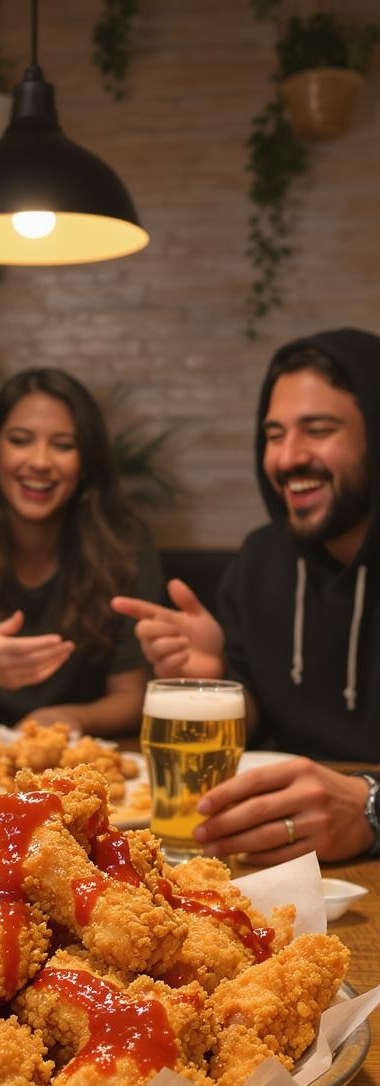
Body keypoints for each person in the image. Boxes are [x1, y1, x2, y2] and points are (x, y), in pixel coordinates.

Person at [113, 327, 380, 866]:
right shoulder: (260, 558)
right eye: (274, 435)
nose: (288, 458)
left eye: (318, 430)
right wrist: (217, 679)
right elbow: (261, 717)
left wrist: (370, 808)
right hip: (275, 861)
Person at [0, 367, 165, 737]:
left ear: (85, 463)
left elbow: (132, 697)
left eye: (63, 445)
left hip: (83, 759)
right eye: (20, 440)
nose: (40, 462)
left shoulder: (125, 546)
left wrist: (72, 718)